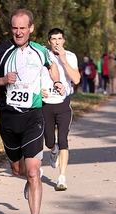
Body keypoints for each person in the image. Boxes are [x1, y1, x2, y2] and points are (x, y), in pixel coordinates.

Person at [0, 9, 64, 214]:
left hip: (33, 116)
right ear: (10, 28)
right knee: (18, 169)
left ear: (31, 29)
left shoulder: (41, 51)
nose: (18, 32)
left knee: (33, 171)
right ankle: (28, 177)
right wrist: (2, 80)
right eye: (15, 27)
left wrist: (56, 82)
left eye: (23, 28)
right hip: (8, 118)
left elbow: (52, 65)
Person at [41, 27, 80, 192]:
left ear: (64, 40)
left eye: (59, 39)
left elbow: (76, 79)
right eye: (53, 39)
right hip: (46, 103)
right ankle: (53, 149)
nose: (57, 42)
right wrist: (38, 90)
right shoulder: (42, 55)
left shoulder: (70, 56)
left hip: (64, 104)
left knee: (63, 139)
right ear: (49, 41)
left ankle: (62, 178)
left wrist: (63, 60)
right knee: (49, 140)